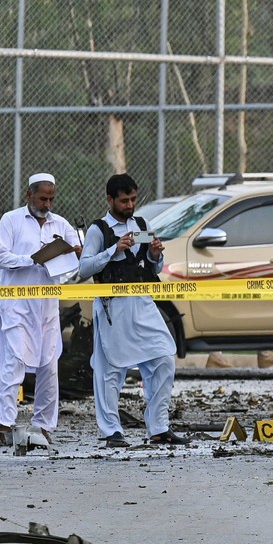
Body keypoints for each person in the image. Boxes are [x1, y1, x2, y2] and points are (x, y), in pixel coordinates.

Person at [79, 173, 187, 448]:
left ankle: (159, 427)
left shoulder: (141, 224)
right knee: (110, 371)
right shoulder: (98, 230)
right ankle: (111, 431)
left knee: (164, 357)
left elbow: (153, 267)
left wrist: (154, 254)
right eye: (124, 200)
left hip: (142, 302)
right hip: (112, 307)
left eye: (133, 199)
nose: (130, 205)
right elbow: (84, 268)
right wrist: (113, 250)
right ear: (110, 199)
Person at [0, 172, 81, 447]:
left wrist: (74, 254)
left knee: (49, 365)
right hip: (16, 306)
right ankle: (4, 424)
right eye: (42, 198)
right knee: (14, 363)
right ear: (29, 195)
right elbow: (0, 257)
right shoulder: (11, 220)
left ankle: (44, 426)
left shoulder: (60, 224)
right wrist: (33, 259)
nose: (47, 204)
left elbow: (75, 255)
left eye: (51, 199)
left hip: (46, 308)